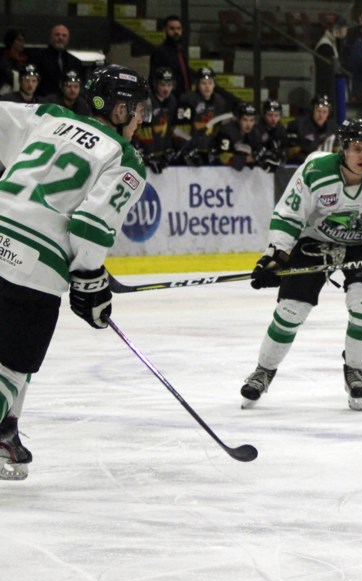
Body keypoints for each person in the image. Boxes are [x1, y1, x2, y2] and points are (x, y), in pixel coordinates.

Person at [0, 64, 150, 480]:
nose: (142, 119)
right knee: (13, 363)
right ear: (118, 109)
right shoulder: (126, 157)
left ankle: (5, 433)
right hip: (33, 267)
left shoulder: (47, 116)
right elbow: (88, 225)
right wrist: (90, 280)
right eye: (138, 110)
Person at [240, 117, 362, 412]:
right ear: (342, 149)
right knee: (291, 309)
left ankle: (354, 369)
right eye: (356, 148)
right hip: (315, 240)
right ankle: (263, 371)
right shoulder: (315, 171)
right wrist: (275, 255)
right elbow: (288, 216)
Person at [176, 66, 229, 166]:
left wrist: (216, 147)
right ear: (197, 84)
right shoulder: (188, 99)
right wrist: (184, 150)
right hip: (189, 151)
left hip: (208, 151)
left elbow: (219, 128)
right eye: (203, 83)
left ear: (214, 85)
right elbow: (181, 128)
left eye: (210, 83)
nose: (207, 87)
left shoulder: (220, 102)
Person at [132, 67, 179, 173]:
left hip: (161, 154)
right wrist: (142, 153)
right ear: (155, 84)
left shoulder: (173, 101)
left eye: (169, 85)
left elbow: (170, 128)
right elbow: (138, 129)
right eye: (163, 85)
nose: (166, 89)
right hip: (145, 155)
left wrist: (169, 150)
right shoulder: (146, 102)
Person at [28, 23, 83, 98]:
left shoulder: (75, 62)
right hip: (44, 102)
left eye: (64, 35)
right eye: (57, 35)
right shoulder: (37, 58)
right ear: (51, 37)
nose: (60, 38)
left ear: (68, 39)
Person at [150, 15, 192, 98]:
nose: (176, 32)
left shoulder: (181, 51)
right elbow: (154, 78)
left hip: (184, 96)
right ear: (165, 30)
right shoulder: (160, 52)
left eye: (178, 28)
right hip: (169, 98)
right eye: (172, 29)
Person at [286, 94, 336, 165]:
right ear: (313, 111)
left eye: (324, 112)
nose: (321, 115)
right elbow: (290, 152)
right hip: (301, 165)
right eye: (318, 111)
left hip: (325, 165)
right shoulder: (298, 125)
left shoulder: (333, 127)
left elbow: (337, 151)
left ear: (328, 113)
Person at [214, 102, 262, 170]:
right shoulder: (227, 132)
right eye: (245, 120)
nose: (248, 125)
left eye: (252, 120)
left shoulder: (255, 133)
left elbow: (259, 151)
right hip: (219, 171)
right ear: (238, 119)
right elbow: (223, 157)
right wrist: (245, 159)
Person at [256, 99, 288, 172]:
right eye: (270, 115)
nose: (273, 119)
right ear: (264, 115)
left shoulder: (281, 130)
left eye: (276, 115)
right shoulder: (256, 129)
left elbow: (283, 150)